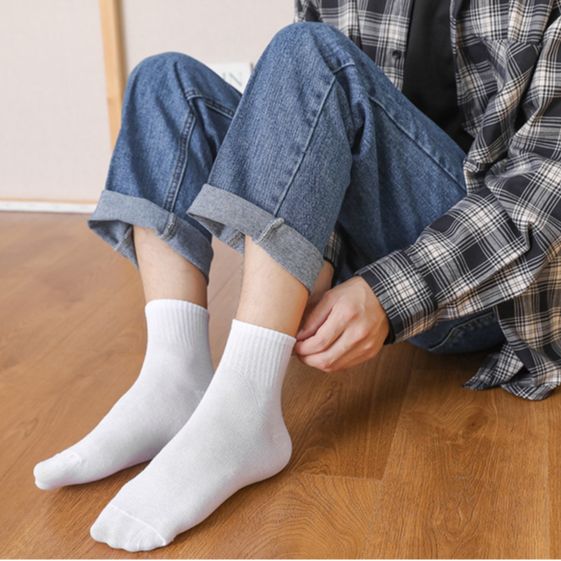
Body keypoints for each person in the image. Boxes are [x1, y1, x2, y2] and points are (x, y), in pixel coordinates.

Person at [33, 0, 561, 552]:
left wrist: (390, 293)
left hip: (498, 292)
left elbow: (544, 189)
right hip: (379, 235)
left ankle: (244, 410)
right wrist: (315, 251)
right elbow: (312, 114)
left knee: (308, 52)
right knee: (163, 82)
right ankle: (173, 377)